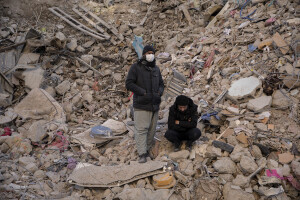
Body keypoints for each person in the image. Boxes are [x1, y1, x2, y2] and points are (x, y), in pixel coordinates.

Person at [126, 45, 164, 163]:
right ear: (143, 54)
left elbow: (162, 84)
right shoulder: (136, 67)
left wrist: (159, 93)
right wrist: (143, 93)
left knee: (152, 131)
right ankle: (142, 153)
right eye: (148, 53)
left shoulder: (156, 69)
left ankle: (147, 150)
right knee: (141, 130)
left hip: (154, 105)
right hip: (142, 105)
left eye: (152, 53)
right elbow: (129, 84)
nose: (150, 55)